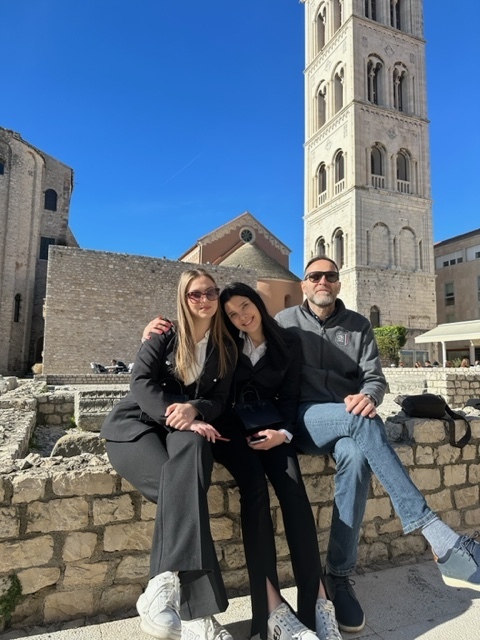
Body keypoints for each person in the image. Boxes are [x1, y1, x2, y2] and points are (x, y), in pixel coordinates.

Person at [275, 256, 480, 633]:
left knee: (356, 457)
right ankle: (438, 536)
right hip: (303, 420)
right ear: (304, 285)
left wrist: (369, 396)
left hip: (349, 424)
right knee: (361, 420)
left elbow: (375, 379)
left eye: (330, 276)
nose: (323, 282)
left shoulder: (358, 325)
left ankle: (338, 576)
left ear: (339, 283)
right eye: (314, 276)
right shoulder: (284, 323)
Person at [143, 283, 342, 640]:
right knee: (255, 491)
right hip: (229, 429)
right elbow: (187, 346)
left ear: (258, 303)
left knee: (294, 491)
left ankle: (318, 602)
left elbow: (290, 395)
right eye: (232, 314)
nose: (241, 316)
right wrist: (150, 331)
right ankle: (270, 612)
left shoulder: (288, 342)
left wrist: (284, 433)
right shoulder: (226, 343)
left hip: (272, 428)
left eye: (245, 306)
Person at [101, 268, 237, 640]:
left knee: (193, 453)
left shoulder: (225, 347)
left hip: (186, 428)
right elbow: (140, 381)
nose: (205, 299)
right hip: (138, 425)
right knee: (183, 490)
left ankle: (159, 588)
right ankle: (197, 615)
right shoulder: (164, 333)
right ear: (183, 298)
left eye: (211, 292)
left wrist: (196, 411)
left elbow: (219, 400)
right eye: (196, 294)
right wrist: (175, 413)